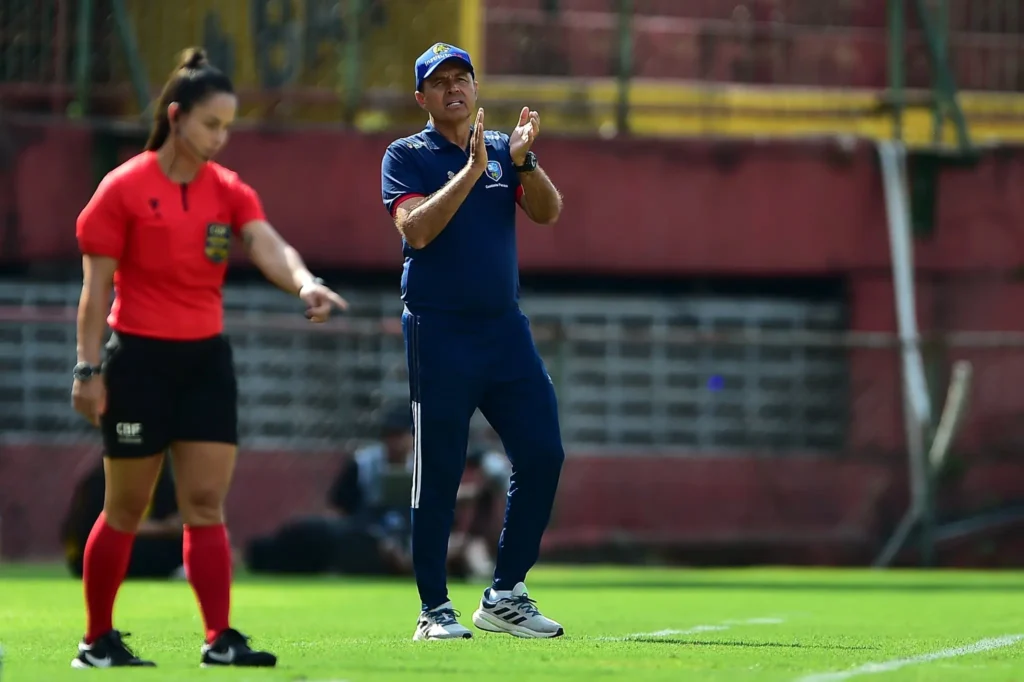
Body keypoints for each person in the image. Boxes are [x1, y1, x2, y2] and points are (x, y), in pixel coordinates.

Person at [70, 47, 346, 669]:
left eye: (227, 127)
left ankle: (219, 639)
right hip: (138, 363)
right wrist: (87, 370)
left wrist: (305, 282)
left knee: (204, 506)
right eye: (211, 124)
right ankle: (96, 641)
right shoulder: (123, 188)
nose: (221, 138)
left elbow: (267, 244)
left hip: (205, 366)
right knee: (125, 507)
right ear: (176, 117)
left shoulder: (227, 190)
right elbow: (95, 293)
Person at [380, 42, 567, 640]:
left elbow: (548, 212)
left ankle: (506, 592)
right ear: (423, 98)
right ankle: (433, 609)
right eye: (440, 82)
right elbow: (416, 230)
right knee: (439, 470)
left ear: (476, 89)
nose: (453, 88)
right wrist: (469, 172)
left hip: (503, 328)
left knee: (543, 452)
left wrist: (524, 162)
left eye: (462, 78)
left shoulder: (503, 151)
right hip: (439, 330)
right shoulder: (405, 155)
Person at [61, 456, 183, 580]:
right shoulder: (101, 480)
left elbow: (174, 518)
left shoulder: (160, 480)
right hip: (90, 554)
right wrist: (164, 528)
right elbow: (105, 525)